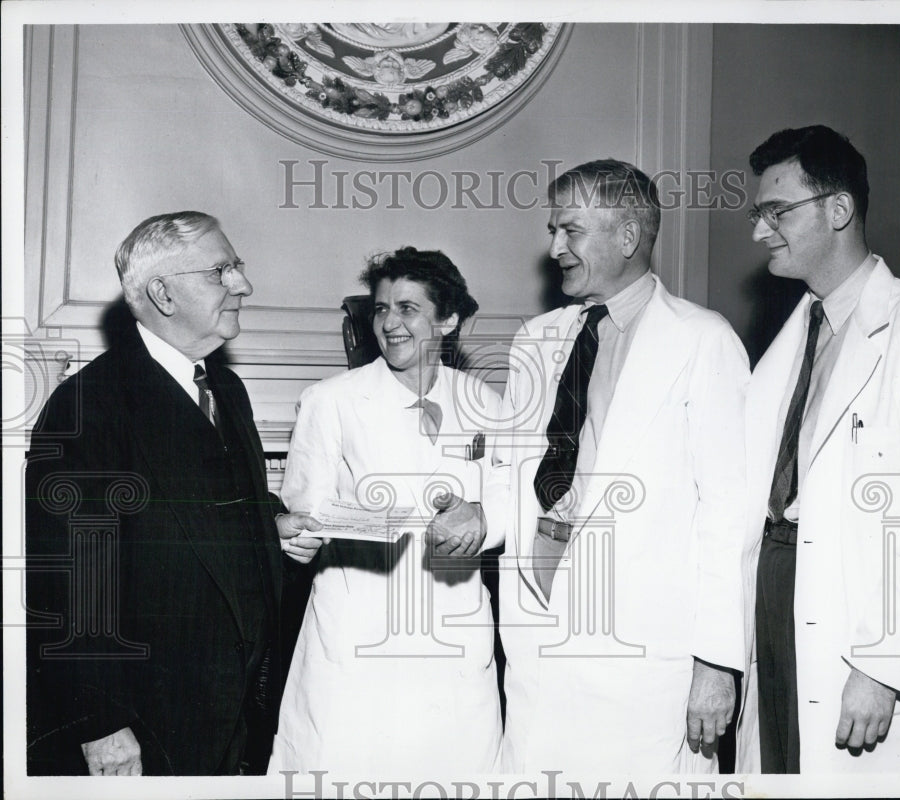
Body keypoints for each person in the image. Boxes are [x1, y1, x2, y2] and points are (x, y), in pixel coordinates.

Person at [436, 159, 751, 778]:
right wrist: (481, 513)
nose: (554, 248)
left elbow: (728, 515)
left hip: (643, 658)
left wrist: (716, 663)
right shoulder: (537, 340)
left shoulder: (702, 341)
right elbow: (516, 479)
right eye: (554, 230)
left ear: (627, 237)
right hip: (539, 644)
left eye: (570, 231)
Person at [25, 211, 320, 776]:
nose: (243, 285)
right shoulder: (90, 406)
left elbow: (206, 511)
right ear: (162, 292)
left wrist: (268, 526)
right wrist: (100, 724)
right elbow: (66, 581)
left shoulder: (224, 387)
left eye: (237, 267)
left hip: (233, 711)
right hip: (144, 720)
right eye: (221, 271)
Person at [735, 125, 900, 773]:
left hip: (864, 640)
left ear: (838, 209)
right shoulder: (797, 331)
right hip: (782, 612)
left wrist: (883, 665)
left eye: (776, 211)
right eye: (759, 214)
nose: (760, 232)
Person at [267, 247, 504, 774]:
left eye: (407, 308)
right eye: (380, 309)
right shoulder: (330, 400)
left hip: (453, 633)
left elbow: (507, 504)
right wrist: (305, 533)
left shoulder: (486, 403)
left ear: (449, 318)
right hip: (357, 633)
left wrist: (479, 518)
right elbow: (302, 510)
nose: (389, 323)